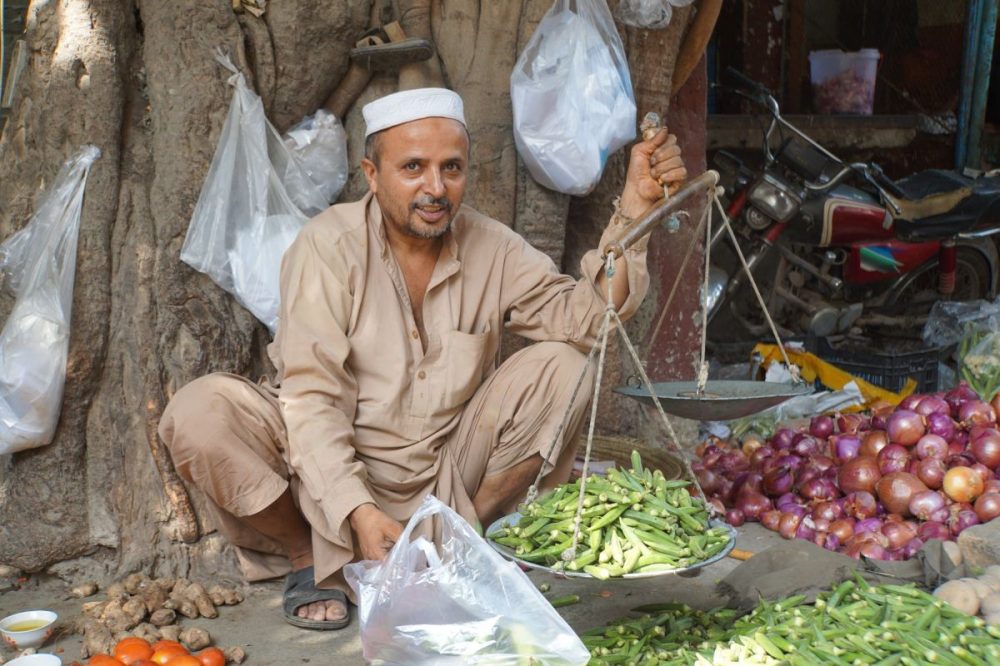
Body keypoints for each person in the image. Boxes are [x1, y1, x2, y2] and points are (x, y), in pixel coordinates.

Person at [159, 87, 687, 630]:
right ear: (372, 173)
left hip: (447, 474)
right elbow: (312, 398)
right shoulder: (327, 247)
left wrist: (634, 215)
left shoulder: (492, 245)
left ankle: (463, 546)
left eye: (451, 168)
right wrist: (358, 511)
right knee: (200, 412)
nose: (435, 188)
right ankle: (312, 559)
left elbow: (588, 319)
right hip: (327, 478)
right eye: (413, 167)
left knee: (566, 367)